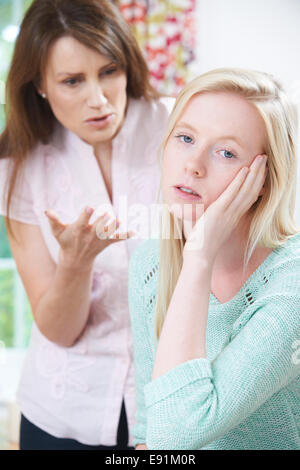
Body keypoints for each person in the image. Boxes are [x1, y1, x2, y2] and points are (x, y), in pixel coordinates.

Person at [0, 0, 175, 450]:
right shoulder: (17, 165)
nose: (97, 99)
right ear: (39, 84)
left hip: (174, 407)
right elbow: (58, 330)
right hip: (62, 416)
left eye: (110, 71)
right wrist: (76, 263)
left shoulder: (182, 131)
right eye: (72, 81)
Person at [129, 68, 300, 450]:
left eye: (226, 152)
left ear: (264, 180)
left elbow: (175, 434)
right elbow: (148, 435)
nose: (193, 165)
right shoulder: (149, 265)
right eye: (185, 138)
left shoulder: (293, 283)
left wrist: (200, 255)